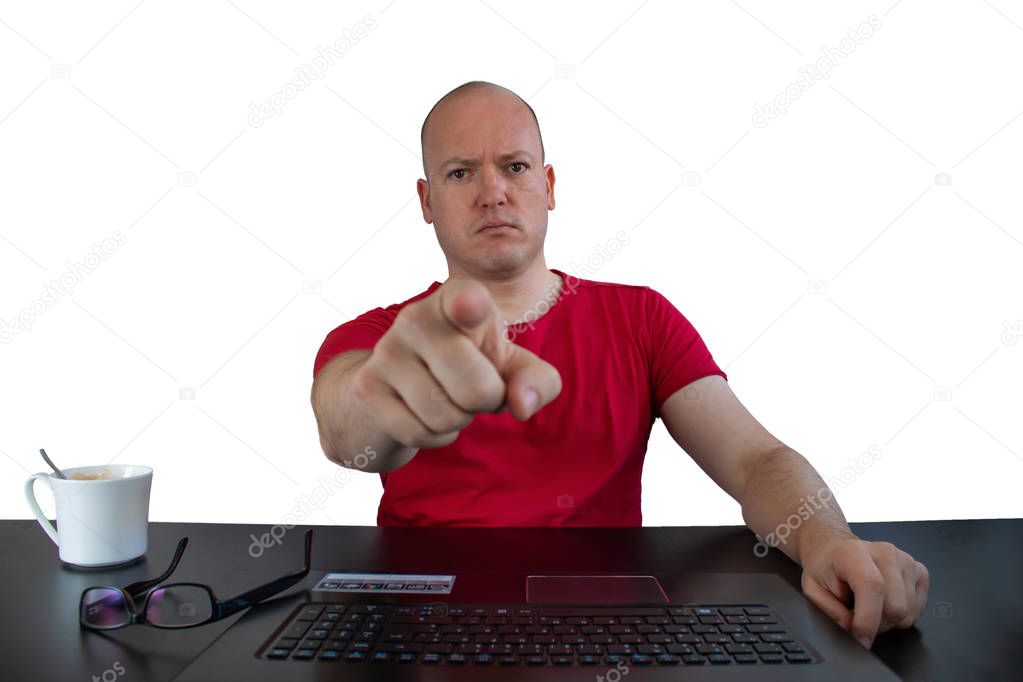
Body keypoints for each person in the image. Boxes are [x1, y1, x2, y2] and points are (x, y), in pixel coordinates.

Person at [310, 80, 929, 649]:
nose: (492, 191)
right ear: (426, 200)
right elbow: (345, 429)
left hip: (603, 631)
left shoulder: (642, 319)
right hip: (420, 632)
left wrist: (825, 538)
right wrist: (388, 392)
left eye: (514, 167)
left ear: (548, 186)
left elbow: (756, 460)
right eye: (459, 172)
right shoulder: (374, 336)